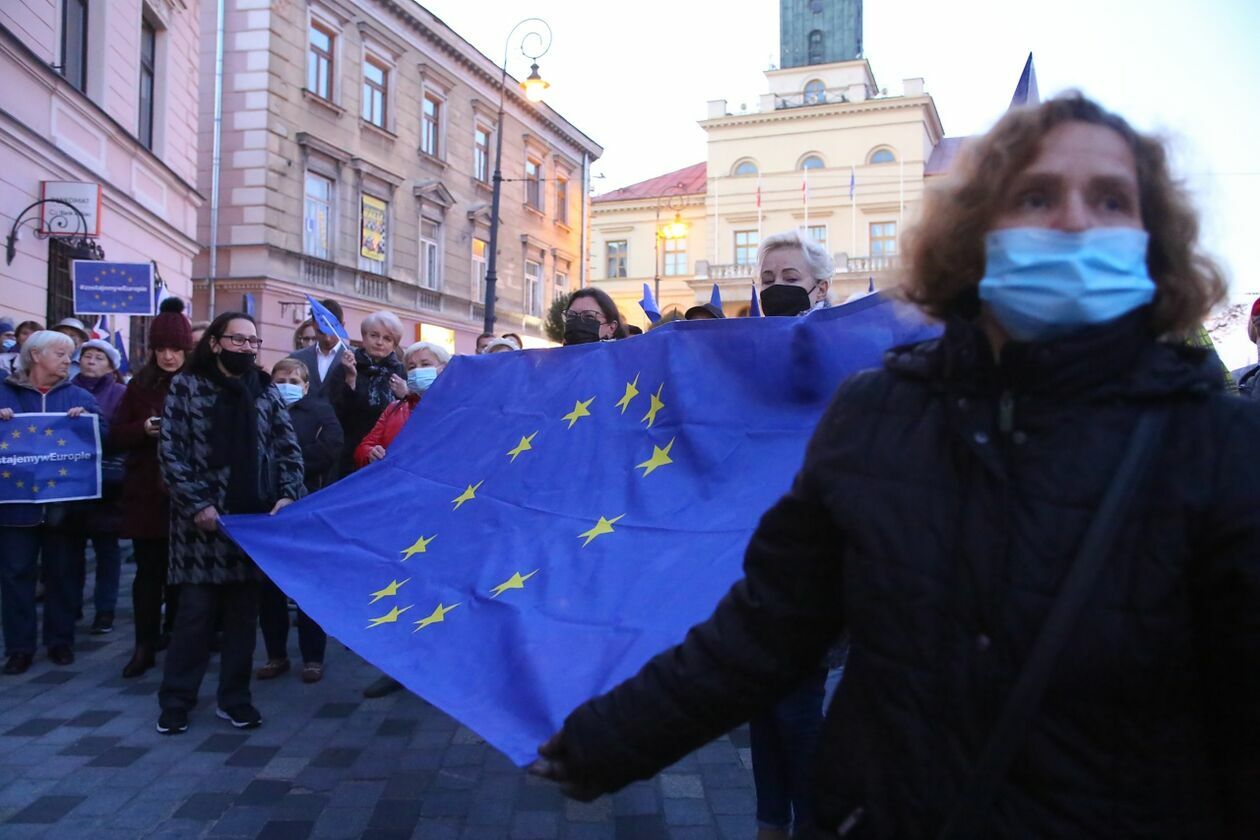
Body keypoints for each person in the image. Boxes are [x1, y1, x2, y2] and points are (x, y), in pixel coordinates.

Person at [530, 94, 1259, 837]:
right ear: (975, 236)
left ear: (1151, 244)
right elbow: (767, 629)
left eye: (1110, 199)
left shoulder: (1225, 450)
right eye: (1035, 195)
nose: (1072, 220)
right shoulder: (878, 414)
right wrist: (603, 742)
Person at [156, 311, 304, 735]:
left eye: (253, 342)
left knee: (243, 620)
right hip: (201, 525)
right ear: (216, 342)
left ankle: (235, 699)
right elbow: (171, 453)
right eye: (237, 340)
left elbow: (287, 448)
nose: (246, 347)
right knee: (194, 619)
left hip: (252, 521)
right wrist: (197, 504)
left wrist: (288, 494)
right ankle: (176, 701)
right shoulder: (187, 385)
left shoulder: (266, 390)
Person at [0, 330, 105, 675]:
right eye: (60, 353)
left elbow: (104, 438)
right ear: (34, 355)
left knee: (63, 574)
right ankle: (19, 647)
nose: (67, 360)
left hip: (65, 508)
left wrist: (88, 424)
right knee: (16, 576)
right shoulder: (4, 394)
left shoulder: (79, 396)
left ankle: (60, 641)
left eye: (69, 354)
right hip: (16, 507)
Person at [351, 340, 449, 699]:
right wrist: (370, 453)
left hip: (446, 516)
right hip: (400, 514)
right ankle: (397, 666)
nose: (418, 369)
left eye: (427, 362)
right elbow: (362, 448)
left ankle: (439, 663)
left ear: (444, 368)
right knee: (400, 587)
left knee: (438, 589)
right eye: (412, 365)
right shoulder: (394, 409)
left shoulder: (460, 408)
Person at [110, 298, 192, 678]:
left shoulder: (197, 384)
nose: (169, 357)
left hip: (184, 495)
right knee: (148, 575)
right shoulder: (138, 387)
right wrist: (143, 430)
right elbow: (115, 435)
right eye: (162, 349)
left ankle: (178, 638)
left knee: (182, 575)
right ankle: (144, 643)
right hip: (145, 493)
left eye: (175, 349)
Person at [256, 357, 342, 684]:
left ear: (306, 386)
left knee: (307, 585)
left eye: (294, 381)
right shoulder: (259, 409)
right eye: (281, 379)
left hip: (308, 504)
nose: (287, 386)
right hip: (267, 510)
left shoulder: (320, 411)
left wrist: (290, 467)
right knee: (270, 589)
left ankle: (313, 657)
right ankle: (275, 655)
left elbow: (331, 447)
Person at [69, 338, 128, 635]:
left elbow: (121, 435)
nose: (91, 360)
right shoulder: (65, 392)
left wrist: (93, 424)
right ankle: (72, 604)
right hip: (70, 483)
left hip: (107, 484)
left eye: (99, 357)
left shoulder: (119, 393)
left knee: (106, 550)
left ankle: (105, 610)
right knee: (71, 549)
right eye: (87, 355)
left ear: (111, 366)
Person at [329, 310, 406, 476]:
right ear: (364, 337)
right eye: (374, 335)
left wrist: (405, 394)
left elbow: (411, 413)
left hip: (388, 452)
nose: (379, 342)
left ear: (394, 344)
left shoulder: (401, 370)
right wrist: (350, 379)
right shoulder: (347, 365)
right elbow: (335, 411)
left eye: (387, 338)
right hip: (349, 451)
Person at [757, 231, 833, 317]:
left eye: (791, 279)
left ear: (821, 290)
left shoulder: (837, 329)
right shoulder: (755, 330)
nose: (777, 284)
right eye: (768, 281)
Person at [289, 299, 348, 398]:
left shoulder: (356, 358)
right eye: (321, 332)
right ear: (313, 324)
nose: (327, 339)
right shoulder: (297, 358)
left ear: (342, 326)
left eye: (331, 332)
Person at [563, 288, 628, 346]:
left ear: (611, 327)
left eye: (589, 317)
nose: (577, 322)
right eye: (571, 316)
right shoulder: (557, 358)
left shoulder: (623, 358)